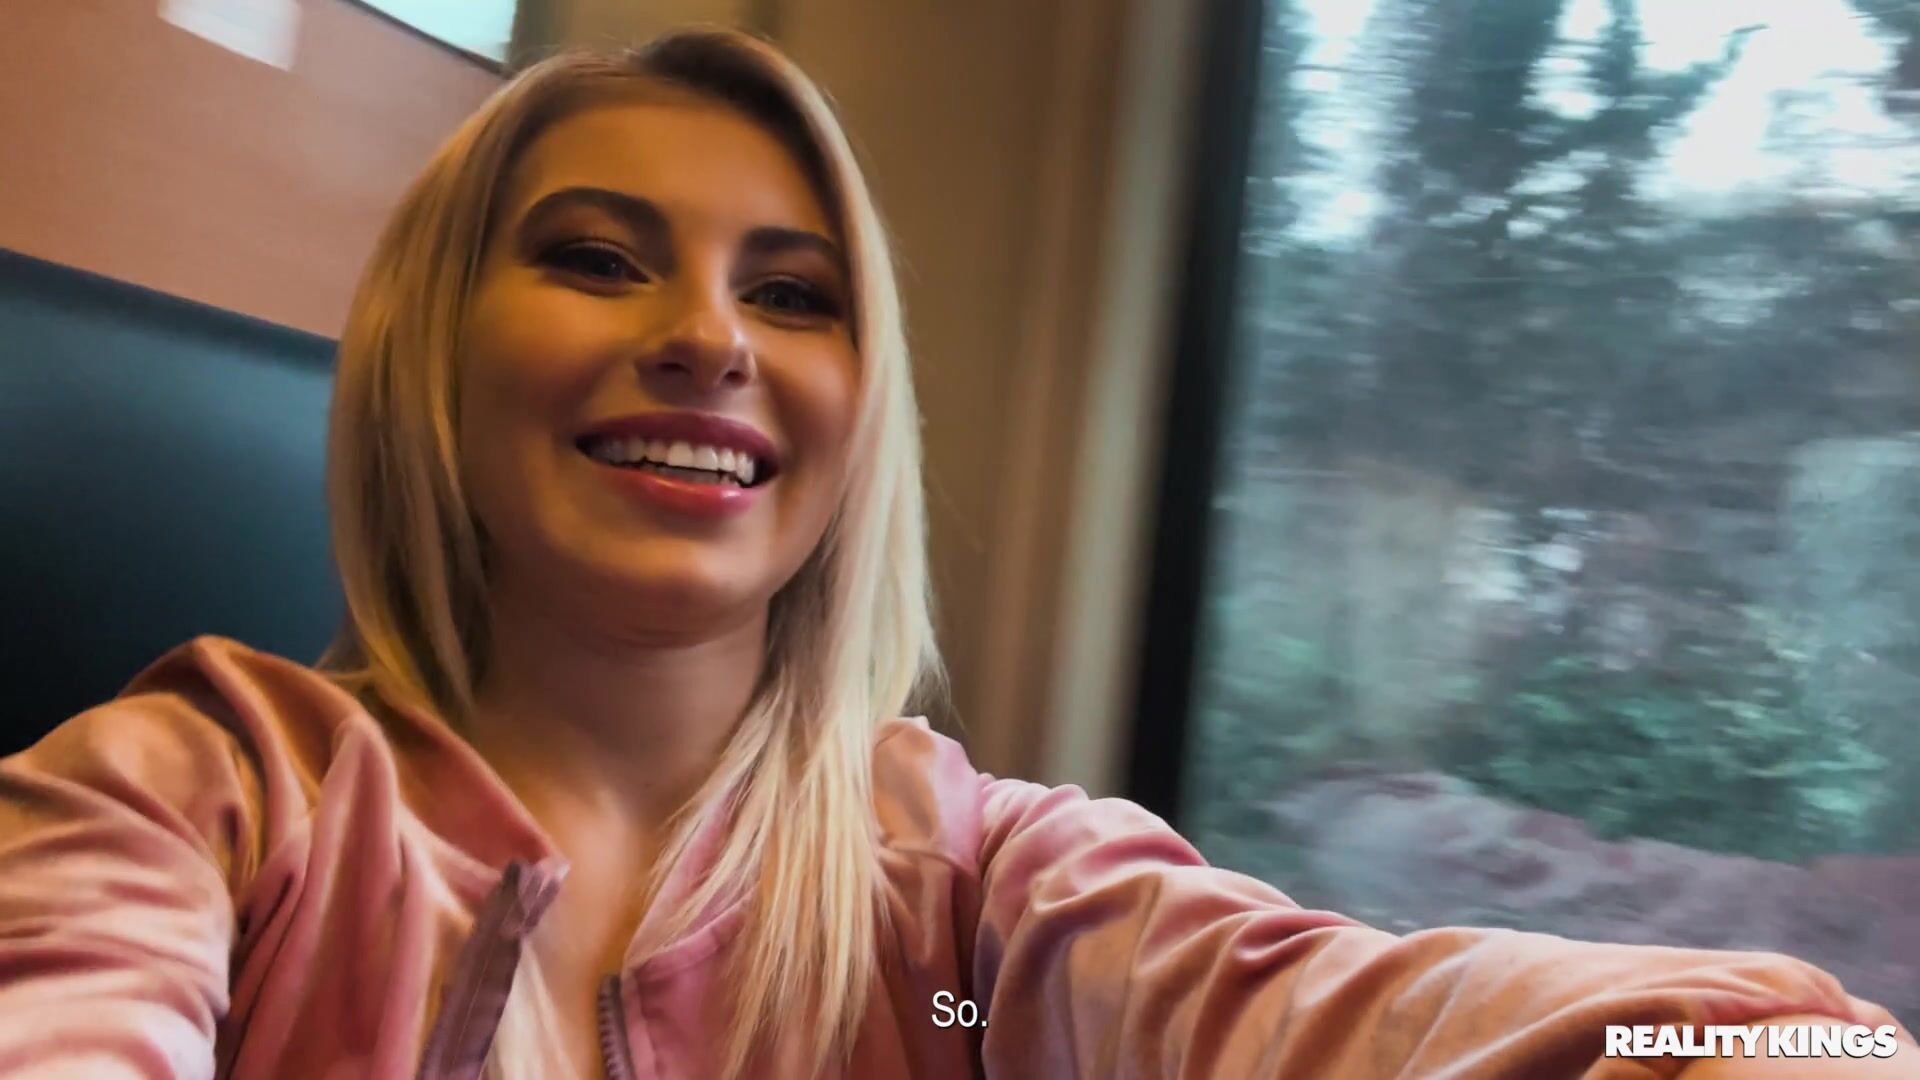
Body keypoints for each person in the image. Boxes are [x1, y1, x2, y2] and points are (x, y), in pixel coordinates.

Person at [0, 26, 1910, 1080]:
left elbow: (1340, 1012)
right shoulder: (197, 799)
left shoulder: (969, 910)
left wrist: (1780, 1058)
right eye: (596, 258)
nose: (710, 338)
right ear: (436, 347)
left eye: (794, 292)